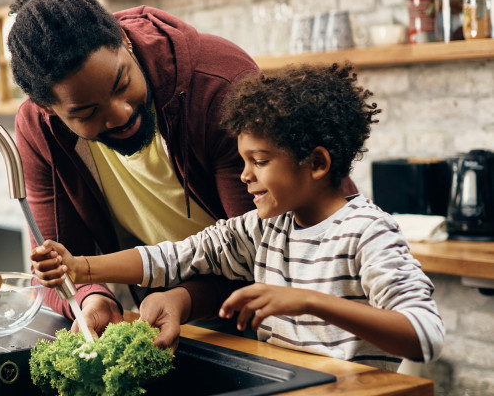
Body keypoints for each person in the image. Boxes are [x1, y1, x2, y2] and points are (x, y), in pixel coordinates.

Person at [32, 63, 445, 371]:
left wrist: (308, 301)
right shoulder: (263, 229)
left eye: (260, 161)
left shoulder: (367, 232)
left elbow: (424, 335)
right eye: (244, 160)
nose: (245, 175)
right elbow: (174, 257)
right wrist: (80, 267)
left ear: (317, 163)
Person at [8, 0, 358, 337]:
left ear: (125, 42)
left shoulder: (217, 86)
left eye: (123, 84)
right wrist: (89, 296)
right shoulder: (40, 131)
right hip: (194, 315)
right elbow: (59, 265)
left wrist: (183, 299)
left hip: (297, 306)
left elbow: (268, 253)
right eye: (87, 112)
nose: (121, 114)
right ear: (48, 109)